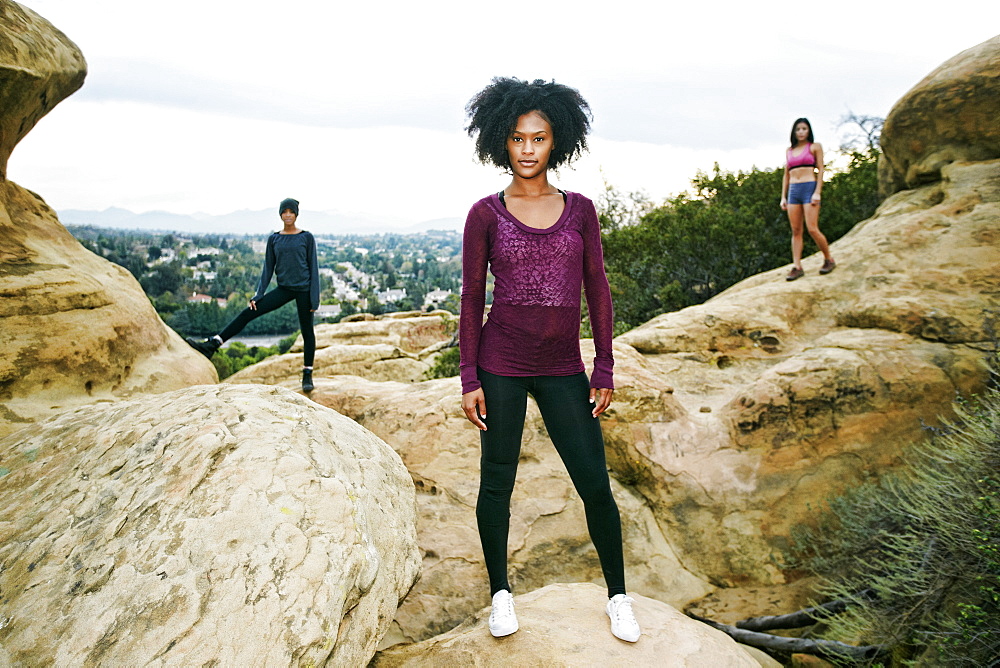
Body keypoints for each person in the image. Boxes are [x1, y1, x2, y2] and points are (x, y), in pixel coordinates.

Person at [460, 77, 640, 643]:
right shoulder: (485, 214)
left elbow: (599, 290)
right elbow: (470, 297)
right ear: (501, 143)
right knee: (497, 484)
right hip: (502, 363)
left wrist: (604, 365)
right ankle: (500, 596)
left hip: (564, 366)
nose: (529, 148)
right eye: (517, 139)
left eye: (539, 138)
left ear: (556, 141)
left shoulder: (580, 210)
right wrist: (469, 375)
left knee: (594, 483)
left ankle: (618, 598)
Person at [186, 198, 319, 392]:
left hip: (304, 290)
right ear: (280, 214)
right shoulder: (274, 238)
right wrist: (259, 294)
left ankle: (307, 373)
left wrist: (314, 298)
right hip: (284, 288)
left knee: (307, 331)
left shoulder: (306, 237)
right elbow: (268, 269)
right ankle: (213, 344)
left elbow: (314, 268)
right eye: (285, 211)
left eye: (292, 211)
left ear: (296, 214)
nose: (288, 215)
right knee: (249, 312)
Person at [780, 117, 835, 280]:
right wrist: (783, 197)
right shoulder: (789, 150)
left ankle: (828, 259)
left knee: (812, 228)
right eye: (798, 129)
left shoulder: (814, 147)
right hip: (793, 191)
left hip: (809, 187)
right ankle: (797, 266)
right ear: (794, 132)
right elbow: (786, 175)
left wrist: (817, 192)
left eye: (804, 129)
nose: (801, 132)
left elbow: (821, 169)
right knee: (796, 230)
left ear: (809, 130)